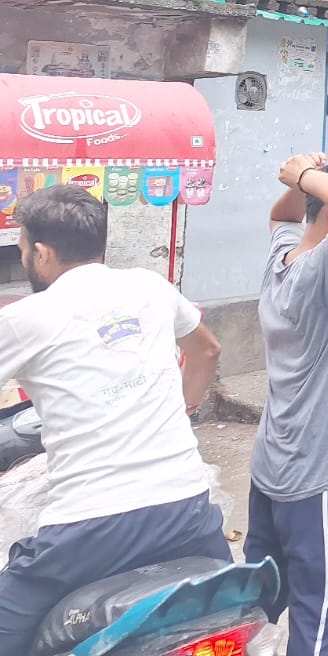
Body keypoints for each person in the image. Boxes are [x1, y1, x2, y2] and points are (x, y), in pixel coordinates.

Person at [0, 186, 229, 647]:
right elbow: (207, 349)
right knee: (225, 608)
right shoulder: (151, 286)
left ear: (40, 252)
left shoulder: (28, 316)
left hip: (90, 528)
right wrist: (181, 412)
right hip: (188, 511)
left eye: (22, 247)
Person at [243, 154, 328, 656]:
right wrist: (301, 177)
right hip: (319, 474)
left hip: (274, 467)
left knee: (257, 604)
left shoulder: (284, 258)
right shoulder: (321, 274)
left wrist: (303, 181)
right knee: (320, 620)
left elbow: (282, 217)